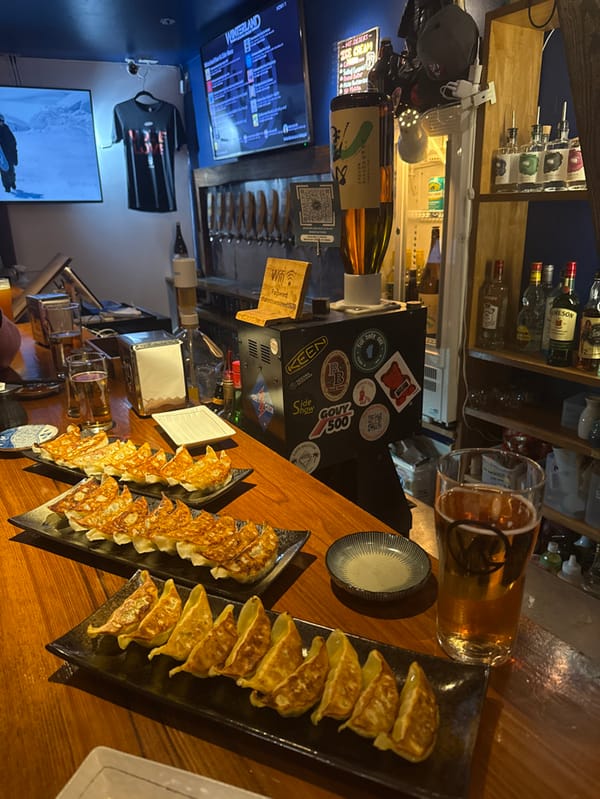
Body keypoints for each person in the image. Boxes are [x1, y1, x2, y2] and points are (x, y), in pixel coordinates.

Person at [0, 114, 18, 193]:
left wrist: (15, 155)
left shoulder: (6, 129)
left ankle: (12, 182)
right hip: (1, 156)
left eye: (1, 121)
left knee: (11, 171)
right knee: (4, 172)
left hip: (9, 154)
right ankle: (7, 187)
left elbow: (13, 142)